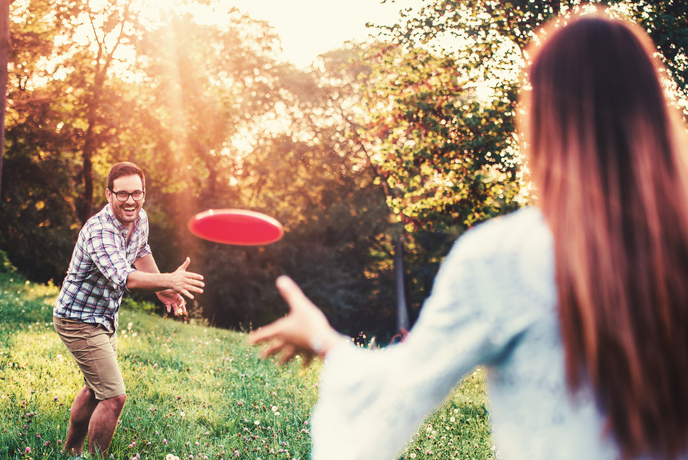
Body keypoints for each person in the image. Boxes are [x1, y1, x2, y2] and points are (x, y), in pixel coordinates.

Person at [250, 12, 688, 460]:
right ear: (655, 112)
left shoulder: (505, 257)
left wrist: (325, 340)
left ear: (540, 122)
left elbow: (394, 391)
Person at [53, 162, 205, 459]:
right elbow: (126, 278)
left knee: (96, 388)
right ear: (109, 194)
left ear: (143, 194)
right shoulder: (100, 231)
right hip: (78, 318)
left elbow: (141, 251)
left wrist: (163, 289)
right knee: (113, 397)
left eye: (137, 193)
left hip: (104, 316)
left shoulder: (139, 218)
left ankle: (71, 452)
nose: (130, 201)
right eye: (122, 194)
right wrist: (168, 279)